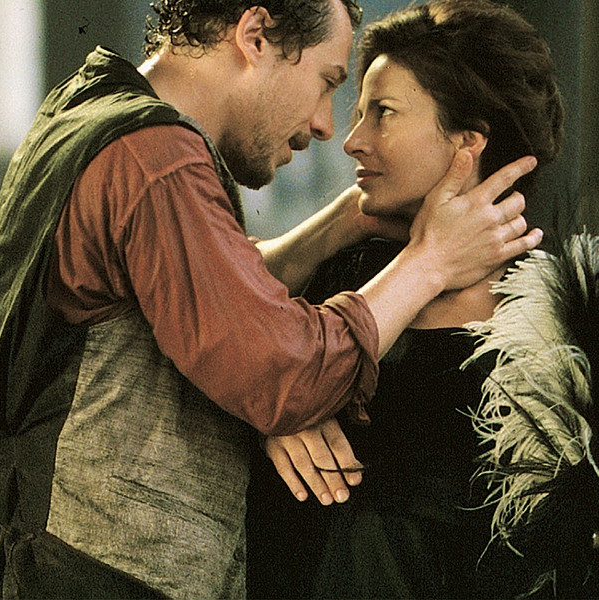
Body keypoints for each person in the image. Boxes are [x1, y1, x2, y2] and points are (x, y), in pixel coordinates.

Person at [0, 0, 541, 598]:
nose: (329, 128)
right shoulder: (156, 160)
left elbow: (209, 289)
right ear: (255, 36)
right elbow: (282, 371)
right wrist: (429, 262)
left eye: (379, 111)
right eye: (327, 82)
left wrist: (344, 224)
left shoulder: (89, 110)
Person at [246, 1, 579, 598]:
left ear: (468, 143)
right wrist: (267, 410)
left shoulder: (560, 340)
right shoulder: (341, 278)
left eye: (384, 113)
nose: (352, 141)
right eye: (359, 113)